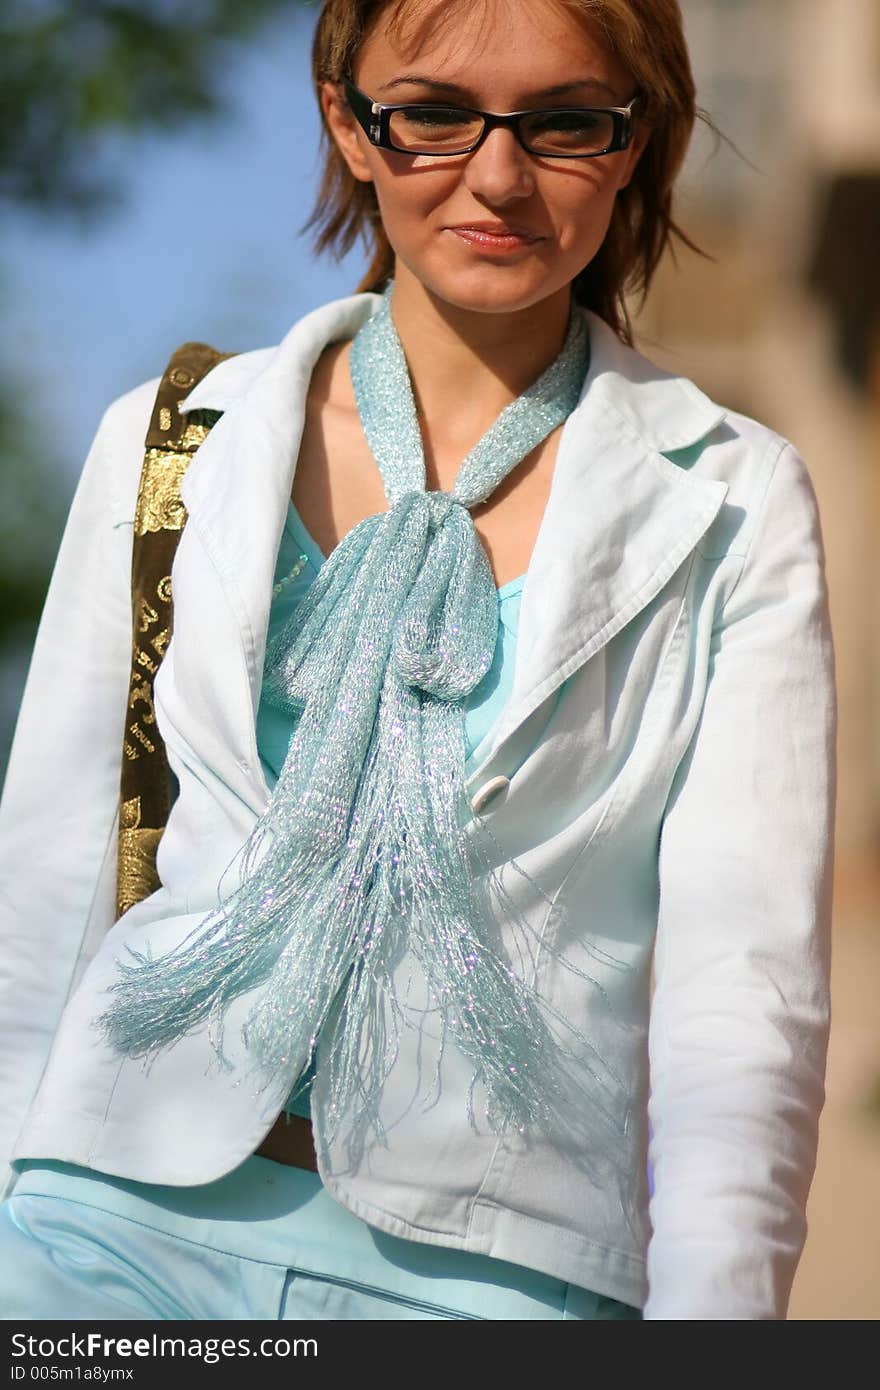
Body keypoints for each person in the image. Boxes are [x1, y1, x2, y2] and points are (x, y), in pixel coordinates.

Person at [0, 0, 836, 1321]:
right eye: (435, 113)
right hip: (99, 1225)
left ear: (636, 142)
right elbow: (34, 902)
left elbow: (747, 988)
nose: (497, 176)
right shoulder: (174, 442)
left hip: (500, 1276)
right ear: (348, 116)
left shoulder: (733, 499)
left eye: (566, 122)